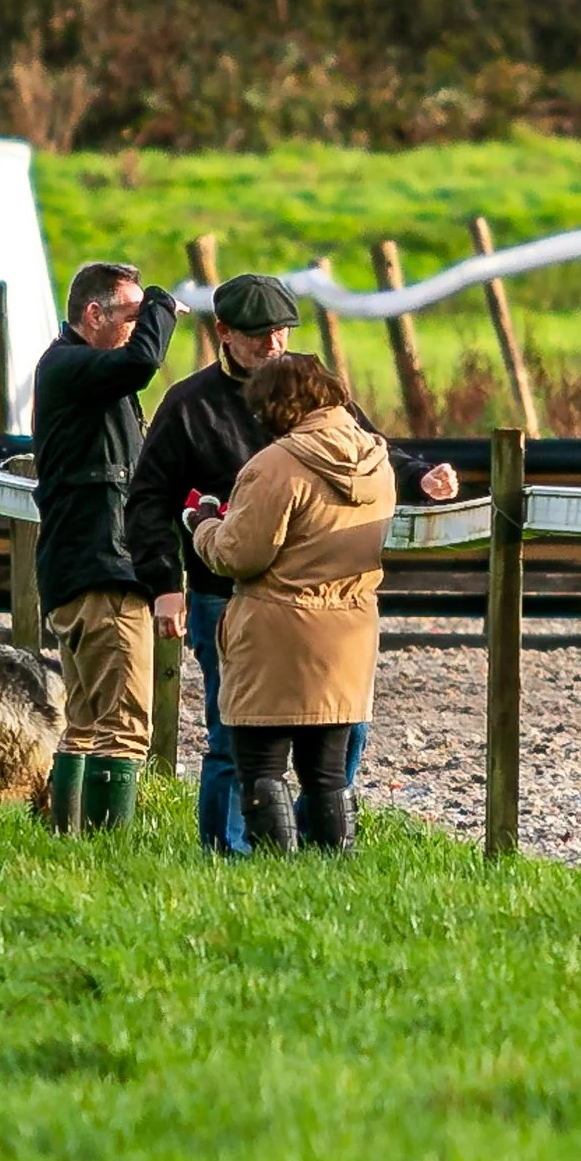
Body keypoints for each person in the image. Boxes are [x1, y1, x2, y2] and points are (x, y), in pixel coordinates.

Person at [127, 273, 456, 856]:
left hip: (313, 592)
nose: (272, 344)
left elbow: (367, 450)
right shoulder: (189, 405)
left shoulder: (315, 395)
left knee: (333, 737)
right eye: (258, 334)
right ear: (223, 332)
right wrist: (164, 584)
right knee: (234, 737)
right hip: (226, 594)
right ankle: (232, 853)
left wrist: (419, 475)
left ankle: (298, 849)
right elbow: (149, 498)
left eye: (280, 332)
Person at [187, 354, 392, 851]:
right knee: (327, 771)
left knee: (261, 766)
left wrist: (203, 526)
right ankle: (335, 866)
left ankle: (275, 869)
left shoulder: (276, 465)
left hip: (277, 633)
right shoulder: (376, 460)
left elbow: (240, 555)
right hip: (349, 632)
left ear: (277, 405)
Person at [32, 259, 182, 832]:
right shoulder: (73, 366)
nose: (140, 328)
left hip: (74, 566)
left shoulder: (70, 370)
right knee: (123, 728)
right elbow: (141, 363)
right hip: (104, 571)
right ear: (93, 315)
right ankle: (105, 851)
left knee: (84, 724)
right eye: (132, 316)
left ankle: (67, 839)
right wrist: (162, 304)